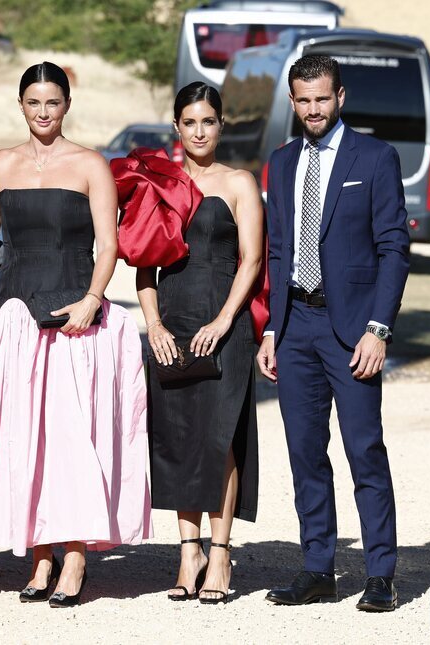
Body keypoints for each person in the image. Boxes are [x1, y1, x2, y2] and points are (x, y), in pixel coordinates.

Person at [0, 62, 152, 608]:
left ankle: (74, 557)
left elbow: (109, 245)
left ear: (66, 105)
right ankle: (39, 557)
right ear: (21, 105)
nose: (43, 112)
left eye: (52, 102)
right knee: (24, 439)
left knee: (72, 442)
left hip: (74, 319)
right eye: (33, 102)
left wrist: (93, 300)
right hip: (14, 318)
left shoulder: (90, 165)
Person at [256, 55, 410, 612]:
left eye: (322, 98)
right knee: (304, 453)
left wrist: (378, 328)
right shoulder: (280, 161)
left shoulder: (376, 157)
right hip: (296, 326)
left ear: (340, 97)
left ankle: (380, 576)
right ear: (292, 101)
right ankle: (318, 568)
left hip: (353, 333)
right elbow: (278, 251)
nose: (313, 109)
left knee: (364, 451)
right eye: (303, 100)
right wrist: (272, 327)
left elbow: (394, 247)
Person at [131, 82, 262, 605]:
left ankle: (222, 551)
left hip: (223, 326)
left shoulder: (239, 183)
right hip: (173, 324)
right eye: (190, 122)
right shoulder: (159, 184)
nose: (199, 131)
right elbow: (142, 261)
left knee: (219, 439)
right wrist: (155, 325)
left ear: (220, 125)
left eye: (208, 121)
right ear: (177, 128)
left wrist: (226, 320)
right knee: (178, 437)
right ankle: (189, 552)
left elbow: (251, 260)